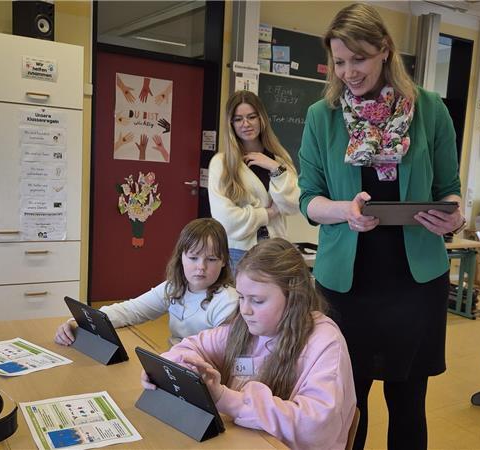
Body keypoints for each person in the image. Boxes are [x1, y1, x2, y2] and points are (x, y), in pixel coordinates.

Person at [297, 4, 467, 448]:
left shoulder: (429, 110)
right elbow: (308, 199)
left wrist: (454, 213)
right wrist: (344, 211)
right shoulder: (323, 116)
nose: (348, 72)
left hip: (416, 282)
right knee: (349, 403)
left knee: (409, 401)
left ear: (385, 51)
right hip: (346, 284)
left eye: (360, 59)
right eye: (339, 61)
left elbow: (449, 187)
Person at [143, 238, 356, 450]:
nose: (245, 310)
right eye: (241, 297)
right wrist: (168, 369)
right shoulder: (245, 326)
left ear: (293, 297)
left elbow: (314, 426)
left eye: (257, 300)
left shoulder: (325, 342)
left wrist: (226, 399)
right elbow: (192, 347)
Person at [55, 218, 237, 347]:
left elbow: (217, 350)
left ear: (223, 261)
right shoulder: (175, 287)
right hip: (176, 364)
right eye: (193, 257)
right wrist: (79, 322)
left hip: (202, 371)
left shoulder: (227, 301)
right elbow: (131, 310)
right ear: (181, 257)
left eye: (211, 259)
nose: (201, 267)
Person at [208, 90, 300, 272]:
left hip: (277, 250)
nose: (246, 124)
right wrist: (268, 214)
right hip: (238, 253)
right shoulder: (221, 163)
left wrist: (275, 169)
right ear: (231, 124)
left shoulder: (280, 159)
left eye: (251, 117)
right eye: (238, 119)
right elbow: (226, 221)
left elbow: (295, 204)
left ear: (262, 119)